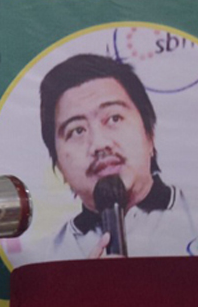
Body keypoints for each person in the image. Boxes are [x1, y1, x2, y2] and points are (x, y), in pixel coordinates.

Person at [37, 53, 198, 260]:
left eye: (114, 118)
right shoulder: (47, 258)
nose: (99, 144)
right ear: (59, 166)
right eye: (77, 131)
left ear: (149, 134)